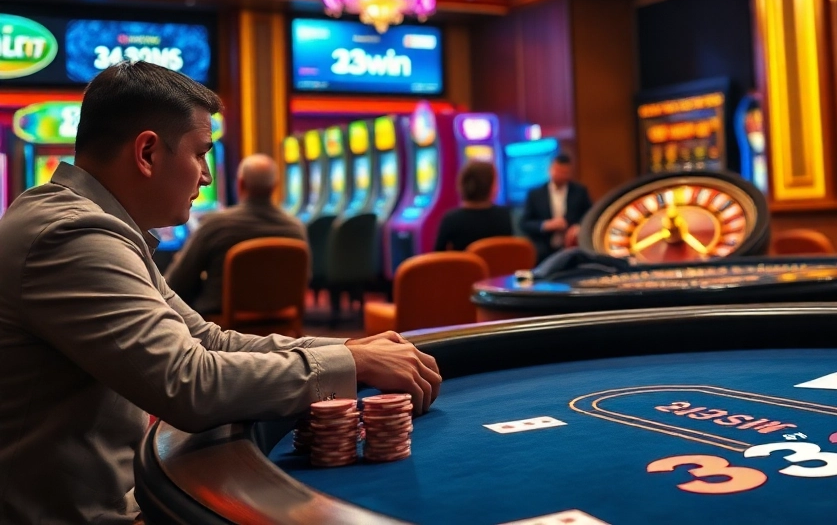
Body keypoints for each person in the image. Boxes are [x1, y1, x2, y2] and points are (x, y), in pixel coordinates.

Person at [0, 61, 442, 524]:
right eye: (200, 154)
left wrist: (351, 349)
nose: (208, 176)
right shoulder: (71, 236)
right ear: (147, 153)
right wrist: (350, 363)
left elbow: (209, 339)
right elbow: (188, 382)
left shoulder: (95, 226)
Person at [165, 153, 308, 315]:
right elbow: (303, 279)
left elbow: (177, 281)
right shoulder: (295, 229)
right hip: (281, 320)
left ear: (240, 184)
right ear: (275, 186)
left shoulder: (215, 225)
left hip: (220, 323)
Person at [520, 153, 593, 261]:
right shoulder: (535, 194)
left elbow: (590, 216)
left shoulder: (580, 192)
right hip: (543, 250)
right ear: (550, 170)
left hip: (572, 248)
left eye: (565, 172)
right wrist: (545, 225)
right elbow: (524, 223)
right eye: (558, 171)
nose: (561, 175)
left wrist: (578, 227)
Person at [434, 160, 514, 251]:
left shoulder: (451, 220)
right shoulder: (505, 217)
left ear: (462, 184)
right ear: (492, 187)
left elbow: (439, 256)